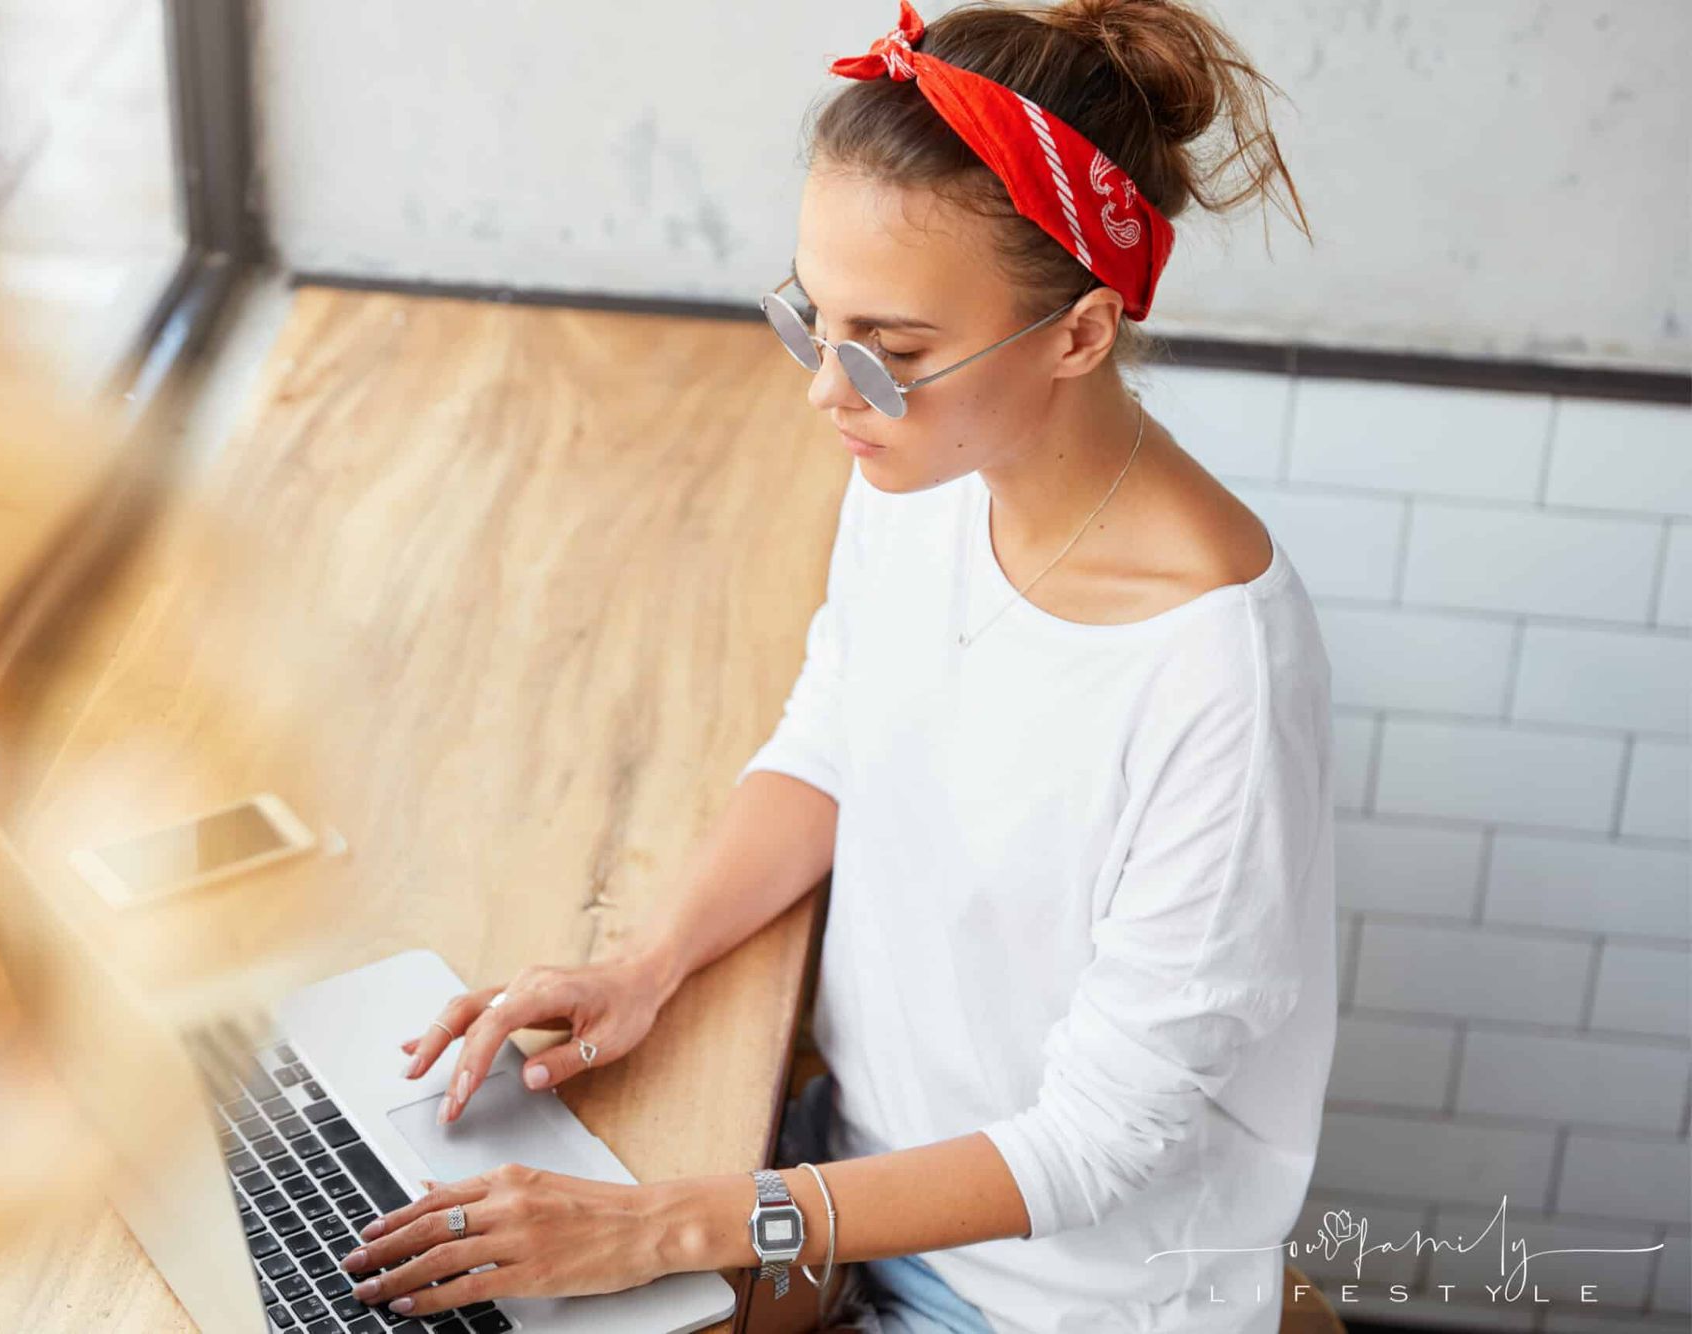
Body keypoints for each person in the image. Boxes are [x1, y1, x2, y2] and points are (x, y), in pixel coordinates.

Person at [338, 2, 1336, 1330]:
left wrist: (662, 1221)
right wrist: (649, 959)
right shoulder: (926, 468)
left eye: (891, 350)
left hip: (1054, 1294)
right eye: (815, 317)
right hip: (841, 1161)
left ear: (1081, 333)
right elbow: (834, 738)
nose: (828, 389)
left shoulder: (1217, 669)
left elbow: (1097, 1144)